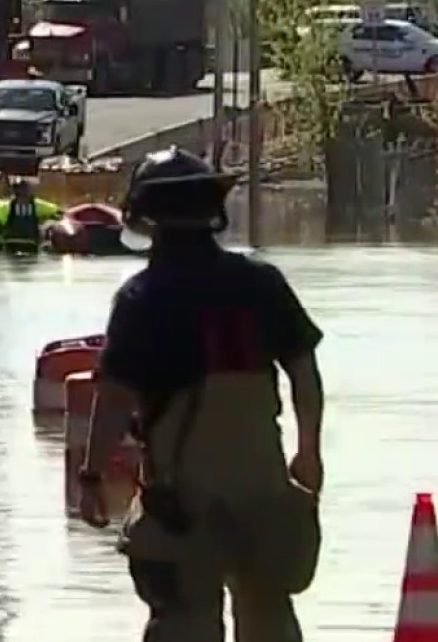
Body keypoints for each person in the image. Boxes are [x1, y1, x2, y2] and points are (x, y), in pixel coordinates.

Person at [77, 146, 325, 642]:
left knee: (182, 620)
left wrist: (93, 474)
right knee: (268, 617)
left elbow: (115, 399)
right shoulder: (262, 282)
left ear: (145, 218)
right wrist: (309, 451)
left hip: (180, 498)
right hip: (261, 487)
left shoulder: (140, 299)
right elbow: (304, 373)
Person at [0, 177, 62, 254]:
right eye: (20, 188)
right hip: (14, 244)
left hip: (27, 243)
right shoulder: (6, 206)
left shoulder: (36, 204)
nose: (22, 191)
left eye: (23, 188)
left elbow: (56, 211)